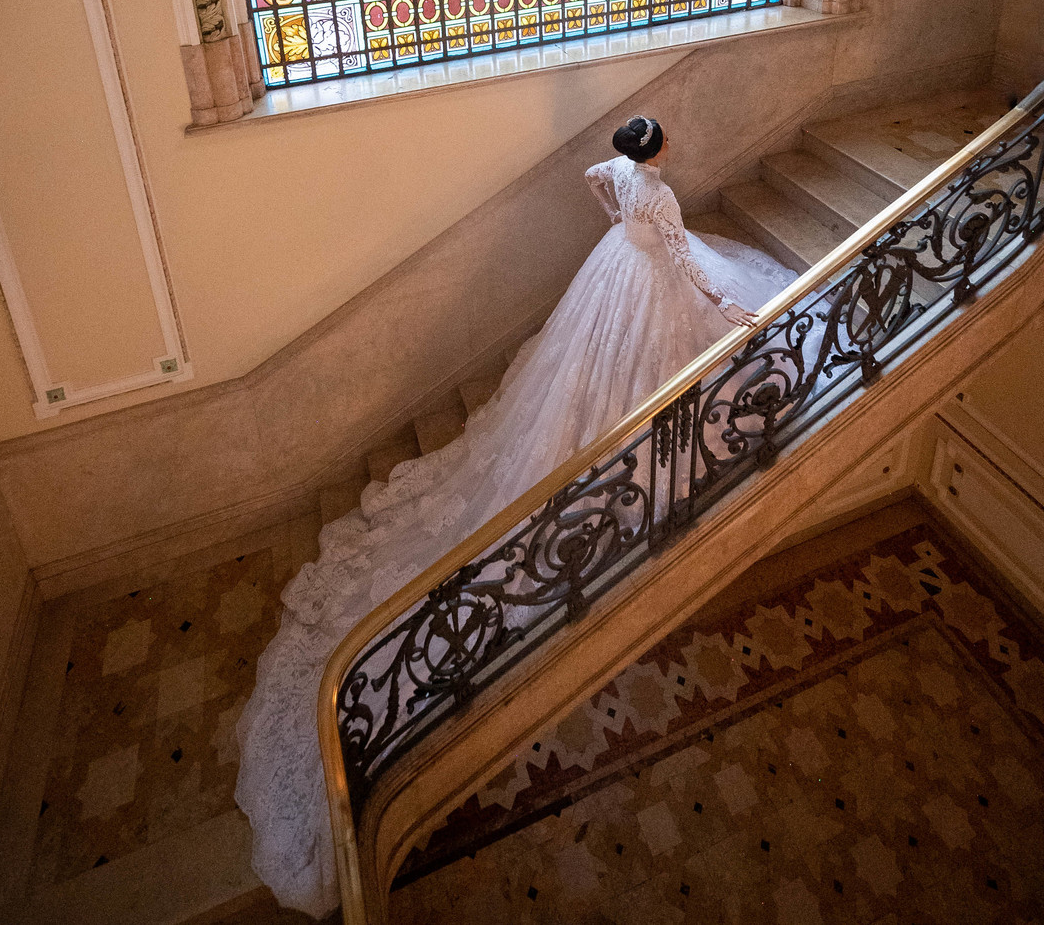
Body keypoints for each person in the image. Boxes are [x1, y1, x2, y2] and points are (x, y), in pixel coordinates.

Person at [235, 115, 794, 916]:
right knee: (649, 376)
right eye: (664, 143)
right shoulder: (662, 195)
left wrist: (615, 227)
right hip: (649, 283)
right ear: (657, 153)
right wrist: (730, 310)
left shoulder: (622, 173)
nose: (666, 151)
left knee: (584, 373)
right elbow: (682, 262)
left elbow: (595, 183)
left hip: (612, 274)